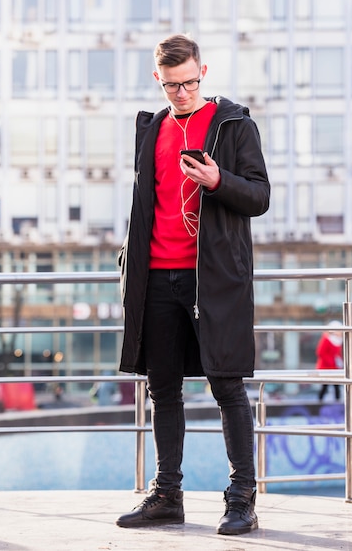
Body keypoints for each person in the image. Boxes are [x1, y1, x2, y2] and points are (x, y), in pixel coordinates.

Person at [115, 34, 270, 536]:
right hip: (157, 276)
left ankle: (242, 498)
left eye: (188, 82)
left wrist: (217, 180)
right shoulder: (152, 128)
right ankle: (167, 495)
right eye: (170, 85)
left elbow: (260, 196)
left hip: (213, 280)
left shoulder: (234, 124)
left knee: (226, 384)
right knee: (162, 389)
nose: (180, 93)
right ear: (155, 78)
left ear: (204, 71)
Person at [316, 320, 344, 402]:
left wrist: (339, 361)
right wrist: (331, 361)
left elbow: (337, 354)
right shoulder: (326, 339)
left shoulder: (338, 341)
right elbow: (320, 352)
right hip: (326, 367)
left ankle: (337, 402)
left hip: (334, 368)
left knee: (337, 386)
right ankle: (319, 403)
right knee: (325, 386)